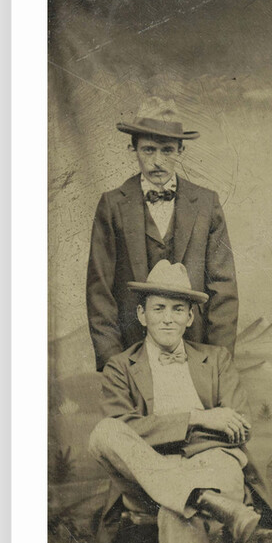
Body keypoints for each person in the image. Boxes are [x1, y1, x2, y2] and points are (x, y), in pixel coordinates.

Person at [89, 260, 272, 543]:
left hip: (212, 466)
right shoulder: (120, 367)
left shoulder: (216, 360)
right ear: (142, 315)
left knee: (176, 509)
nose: (168, 318)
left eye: (178, 309)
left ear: (190, 316)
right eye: (159, 308)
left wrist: (176, 439)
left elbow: (240, 426)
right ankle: (198, 497)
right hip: (149, 476)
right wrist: (200, 418)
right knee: (104, 432)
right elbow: (125, 429)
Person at [87, 97, 239, 372]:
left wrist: (217, 363)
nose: (158, 161)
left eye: (167, 150)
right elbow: (100, 292)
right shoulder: (112, 205)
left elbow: (223, 289)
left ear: (181, 150)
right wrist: (115, 365)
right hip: (131, 356)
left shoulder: (207, 204)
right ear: (133, 148)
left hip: (195, 355)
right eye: (148, 150)